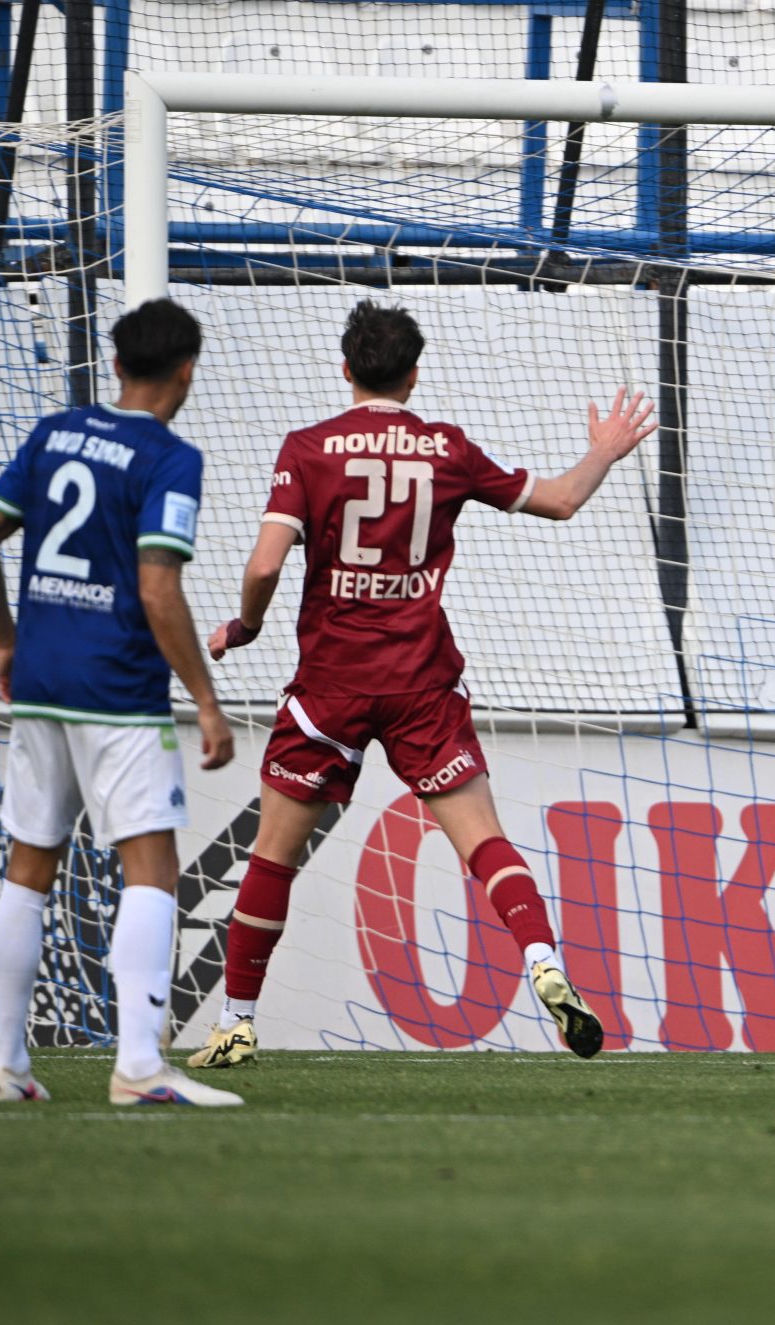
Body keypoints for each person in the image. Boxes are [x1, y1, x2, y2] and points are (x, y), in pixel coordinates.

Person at [189, 300, 657, 1067]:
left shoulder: (308, 448)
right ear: (413, 374)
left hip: (330, 687)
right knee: (483, 841)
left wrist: (245, 626)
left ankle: (236, 1022)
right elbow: (563, 501)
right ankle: (543, 960)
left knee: (273, 856)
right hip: (422, 684)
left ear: (346, 368)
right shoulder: (447, 449)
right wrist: (603, 449)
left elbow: (267, 564)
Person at [0, 297, 243, 1105]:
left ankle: (9, 1068)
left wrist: (7, 640)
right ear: (187, 371)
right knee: (151, 868)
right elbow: (158, 588)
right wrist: (207, 701)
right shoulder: (169, 458)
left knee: (29, 866)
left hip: (41, 682)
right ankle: (139, 1067)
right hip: (117, 688)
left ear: (115, 365)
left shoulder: (52, 434)